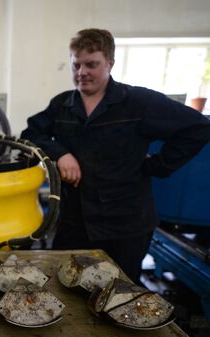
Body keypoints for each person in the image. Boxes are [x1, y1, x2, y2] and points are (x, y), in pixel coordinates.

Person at [21, 28, 210, 284]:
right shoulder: (62, 104)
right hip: (75, 222)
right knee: (64, 286)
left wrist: (159, 165)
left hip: (125, 225)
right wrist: (61, 153)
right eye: (76, 64)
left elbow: (198, 127)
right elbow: (31, 133)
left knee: (118, 294)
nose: (82, 72)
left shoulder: (139, 102)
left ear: (110, 62)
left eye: (91, 64)